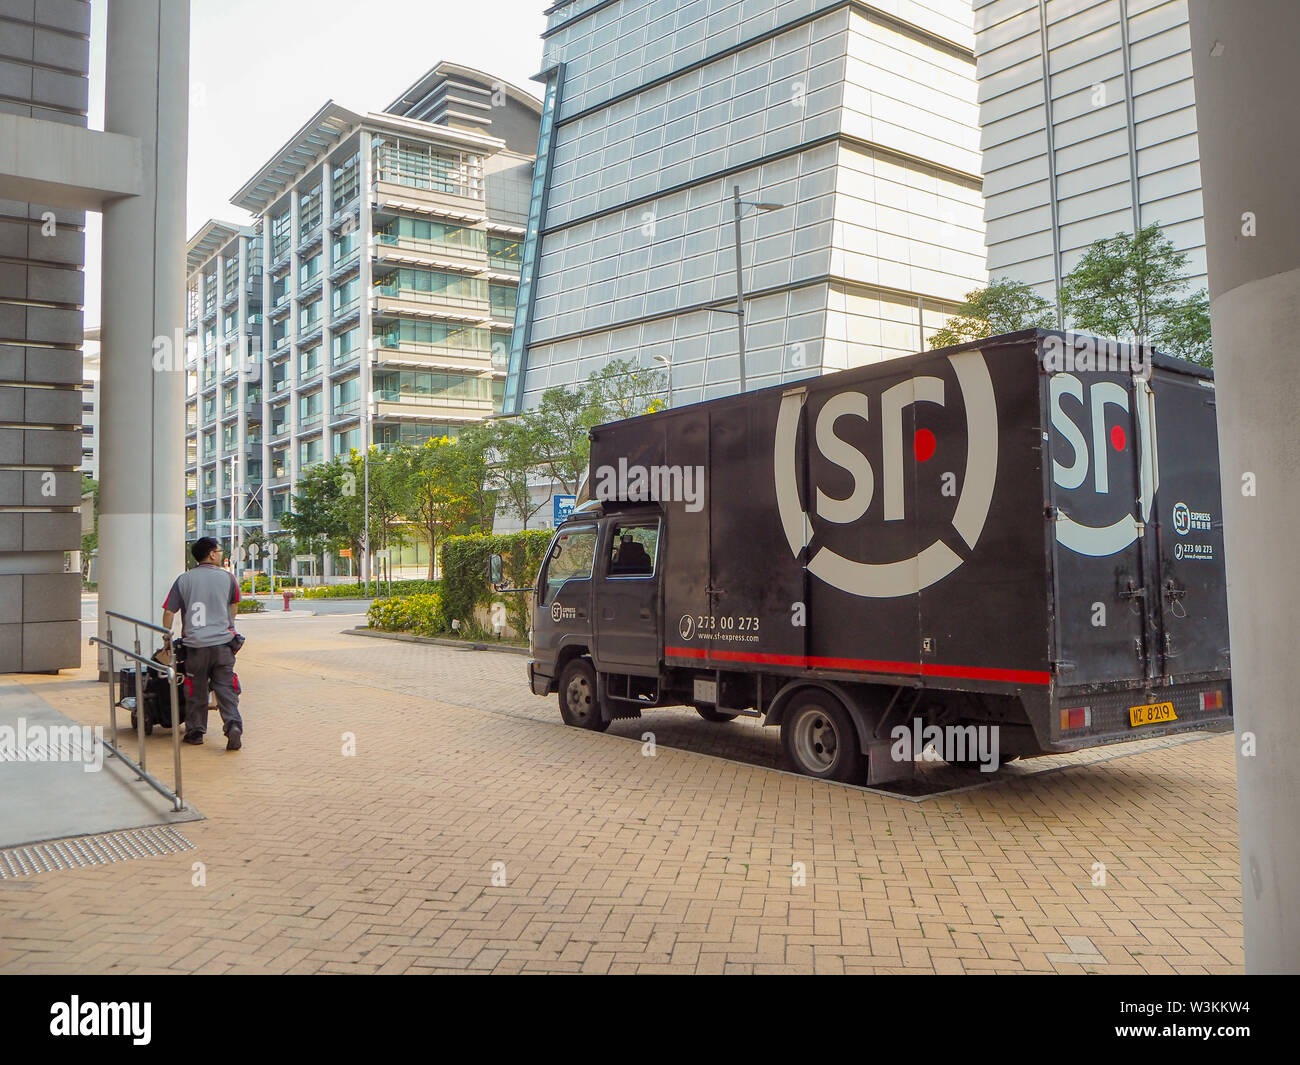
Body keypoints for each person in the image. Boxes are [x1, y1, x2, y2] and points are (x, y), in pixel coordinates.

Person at [161, 537, 244, 750]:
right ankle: (233, 725)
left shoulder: (184, 580)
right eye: (219, 550)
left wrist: (166, 637)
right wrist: (228, 627)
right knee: (226, 688)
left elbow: (169, 611)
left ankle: (195, 732)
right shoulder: (228, 579)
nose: (221, 553)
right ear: (211, 554)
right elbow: (233, 608)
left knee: (195, 689)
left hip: (195, 646)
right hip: (223, 645)